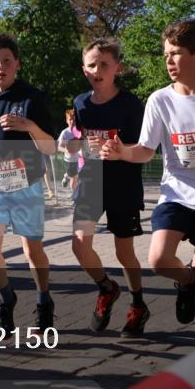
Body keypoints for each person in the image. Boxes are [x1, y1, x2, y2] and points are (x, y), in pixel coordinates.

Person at [102, 19, 195, 344]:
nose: (168, 61)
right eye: (166, 54)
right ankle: (185, 282)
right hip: (176, 193)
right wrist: (121, 153)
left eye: (176, 54)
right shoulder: (159, 100)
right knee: (158, 259)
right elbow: (144, 150)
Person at [0, 33, 56, 331]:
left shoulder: (32, 98)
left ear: (17, 64)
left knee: (32, 250)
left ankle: (44, 300)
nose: (0, 66)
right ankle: (6, 298)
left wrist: (29, 126)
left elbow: (50, 147)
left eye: (6, 60)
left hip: (26, 184)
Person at [68, 38, 149, 337]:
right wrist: (77, 145)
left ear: (118, 68)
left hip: (123, 184)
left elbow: (144, 147)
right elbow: (79, 141)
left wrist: (119, 149)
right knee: (79, 245)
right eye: (91, 64)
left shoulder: (130, 104)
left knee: (124, 252)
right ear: (83, 69)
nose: (97, 70)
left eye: (104, 64)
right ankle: (106, 287)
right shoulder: (80, 103)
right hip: (91, 181)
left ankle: (138, 305)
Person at [57, 110, 80, 198]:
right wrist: (67, 150)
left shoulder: (79, 132)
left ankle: (67, 175)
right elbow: (59, 147)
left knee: (75, 177)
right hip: (69, 160)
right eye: (70, 119)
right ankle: (74, 194)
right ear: (66, 120)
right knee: (73, 178)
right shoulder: (65, 133)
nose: (72, 121)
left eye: (74, 119)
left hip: (79, 159)